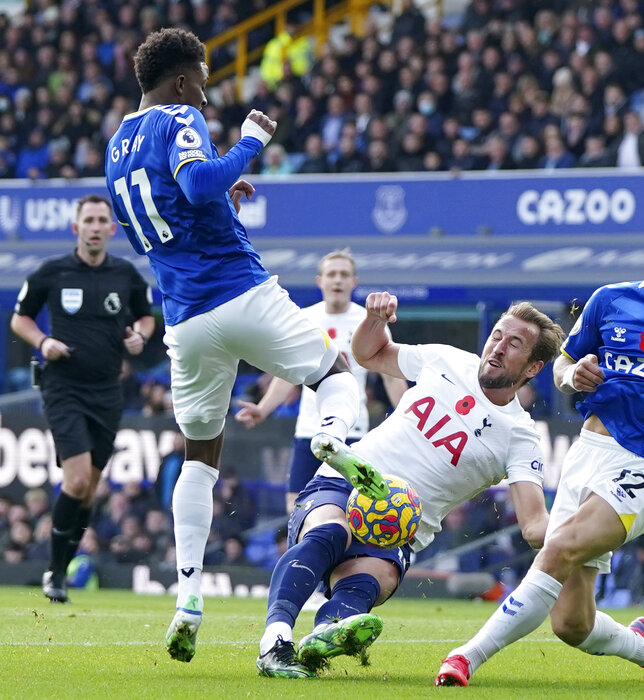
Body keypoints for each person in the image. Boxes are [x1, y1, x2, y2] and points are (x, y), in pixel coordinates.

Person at [104, 28, 386, 663]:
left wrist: (221, 196)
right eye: (202, 81)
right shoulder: (180, 117)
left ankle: (187, 600)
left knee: (200, 456)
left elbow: (177, 209)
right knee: (336, 373)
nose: (205, 95)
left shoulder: (117, 143)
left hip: (185, 320)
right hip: (239, 292)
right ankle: (331, 440)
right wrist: (251, 144)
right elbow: (199, 183)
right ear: (180, 82)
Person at [436, 210, 644, 685]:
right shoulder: (609, 301)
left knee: (557, 547)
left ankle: (465, 657)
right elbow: (560, 370)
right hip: (586, 454)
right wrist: (572, 375)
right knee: (572, 625)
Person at [254, 294, 564, 678]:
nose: (498, 346)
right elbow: (370, 354)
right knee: (331, 531)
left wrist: (591, 531)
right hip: (347, 480)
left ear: (534, 367)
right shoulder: (447, 359)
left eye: (514, 343)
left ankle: (324, 635)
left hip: (399, 530)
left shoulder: (520, 437)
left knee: (370, 581)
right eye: (497, 335)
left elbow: (535, 527)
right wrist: (373, 319)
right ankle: (276, 641)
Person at [10, 194, 155, 604]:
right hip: (64, 388)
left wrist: (139, 335)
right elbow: (19, 318)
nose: (94, 226)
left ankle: (63, 564)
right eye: (88, 220)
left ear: (112, 229)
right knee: (74, 481)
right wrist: (44, 341)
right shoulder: (51, 272)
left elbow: (146, 315)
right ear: (77, 228)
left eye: (101, 220)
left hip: (108, 390)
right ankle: (55, 573)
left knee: (89, 491)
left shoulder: (125, 275)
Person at [235, 250, 409, 512]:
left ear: (354, 282)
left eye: (344, 275)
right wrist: (263, 409)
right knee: (295, 508)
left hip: (352, 434)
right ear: (320, 281)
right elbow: (287, 376)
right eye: (331, 274)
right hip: (309, 431)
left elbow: (391, 378)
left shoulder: (370, 322)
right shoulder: (305, 319)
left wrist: (409, 417)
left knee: (349, 511)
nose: (337, 280)